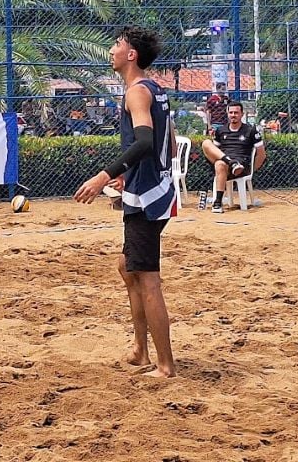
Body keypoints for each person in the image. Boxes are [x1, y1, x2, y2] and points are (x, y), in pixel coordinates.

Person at [73, 26, 177, 379]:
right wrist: (130, 174)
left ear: (131, 55)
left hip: (148, 197)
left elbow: (146, 141)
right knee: (127, 268)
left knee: (148, 280)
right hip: (150, 189)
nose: (112, 49)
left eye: (117, 44)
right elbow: (170, 142)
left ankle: (164, 366)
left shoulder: (137, 93)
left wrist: (105, 175)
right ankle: (140, 351)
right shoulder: (154, 90)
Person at [200, 101, 267, 213]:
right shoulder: (220, 130)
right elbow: (214, 152)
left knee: (219, 164)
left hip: (241, 166)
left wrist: (251, 170)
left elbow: (262, 154)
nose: (233, 115)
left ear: (242, 114)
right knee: (206, 143)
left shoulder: (251, 131)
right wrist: (227, 161)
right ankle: (230, 162)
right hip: (224, 164)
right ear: (227, 114)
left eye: (236, 112)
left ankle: (217, 202)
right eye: (231, 112)